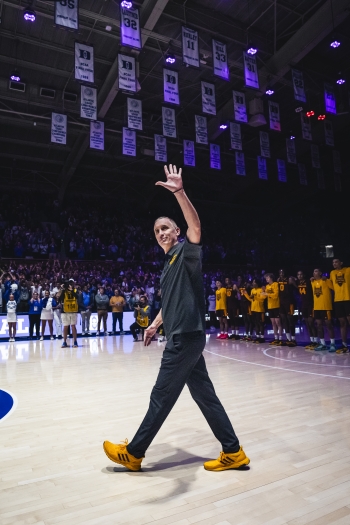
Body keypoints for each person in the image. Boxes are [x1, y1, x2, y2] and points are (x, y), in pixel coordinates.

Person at [103, 164, 249, 472]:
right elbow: (169, 303)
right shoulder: (168, 264)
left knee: (161, 395)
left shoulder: (185, 253)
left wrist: (179, 192)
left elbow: (196, 229)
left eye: (165, 228)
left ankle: (134, 452)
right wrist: (155, 324)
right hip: (186, 335)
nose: (160, 234)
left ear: (176, 232)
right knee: (205, 396)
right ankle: (233, 452)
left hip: (185, 337)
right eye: (157, 231)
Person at [311, 269, 336, 352]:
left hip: (326, 307)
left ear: (320, 273)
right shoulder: (313, 282)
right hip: (317, 307)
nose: (315, 273)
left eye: (317, 271)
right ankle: (323, 344)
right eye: (314, 271)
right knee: (319, 326)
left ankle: (332, 343)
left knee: (329, 325)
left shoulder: (326, 281)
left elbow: (334, 288)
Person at [330, 258, 350, 354]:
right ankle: (344, 344)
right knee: (342, 323)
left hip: (347, 299)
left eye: (336, 262)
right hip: (337, 300)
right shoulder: (332, 273)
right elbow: (331, 285)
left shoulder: (347, 270)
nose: (334, 264)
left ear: (341, 262)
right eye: (333, 262)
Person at [294, 271, 317, 350]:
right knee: (307, 324)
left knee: (311, 323)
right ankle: (312, 341)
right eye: (298, 274)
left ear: (304, 275)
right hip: (303, 305)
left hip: (310, 304)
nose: (299, 276)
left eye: (301, 274)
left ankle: (316, 341)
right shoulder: (297, 282)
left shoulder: (308, 281)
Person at [261, 273, 283, 346]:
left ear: (271, 278)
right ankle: (276, 338)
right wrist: (263, 292)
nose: (266, 279)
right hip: (270, 306)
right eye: (266, 278)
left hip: (276, 306)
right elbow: (265, 296)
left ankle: (280, 339)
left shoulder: (275, 284)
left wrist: (267, 294)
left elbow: (276, 295)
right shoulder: (267, 286)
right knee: (273, 323)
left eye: (267, 278)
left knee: (278, 323)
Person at [244, 279, 265, 343]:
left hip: (260, 309)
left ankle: (262, 337)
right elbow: (251, 300)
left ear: (257, 283)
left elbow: (262, 299)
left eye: (254, 282)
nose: (253, 284)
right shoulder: (252, 290)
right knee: (256, 323)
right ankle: (257, 336)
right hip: (253, 309)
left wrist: (255, 297)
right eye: (252, 282)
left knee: (261, 323)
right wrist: (246, 294)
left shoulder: (261, 290)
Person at [58, 281, 79, 348]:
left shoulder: (75, 290)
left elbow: (77, 297)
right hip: (65, 311)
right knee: (65, 326)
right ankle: (64, 342)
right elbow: (60, 299)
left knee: (73, 326)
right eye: (69, 285)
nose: (70, 286)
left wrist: (71, 290)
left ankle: (75, 341)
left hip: (73, 310)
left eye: (71, 285)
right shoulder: (64, 291)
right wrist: (63, 290)